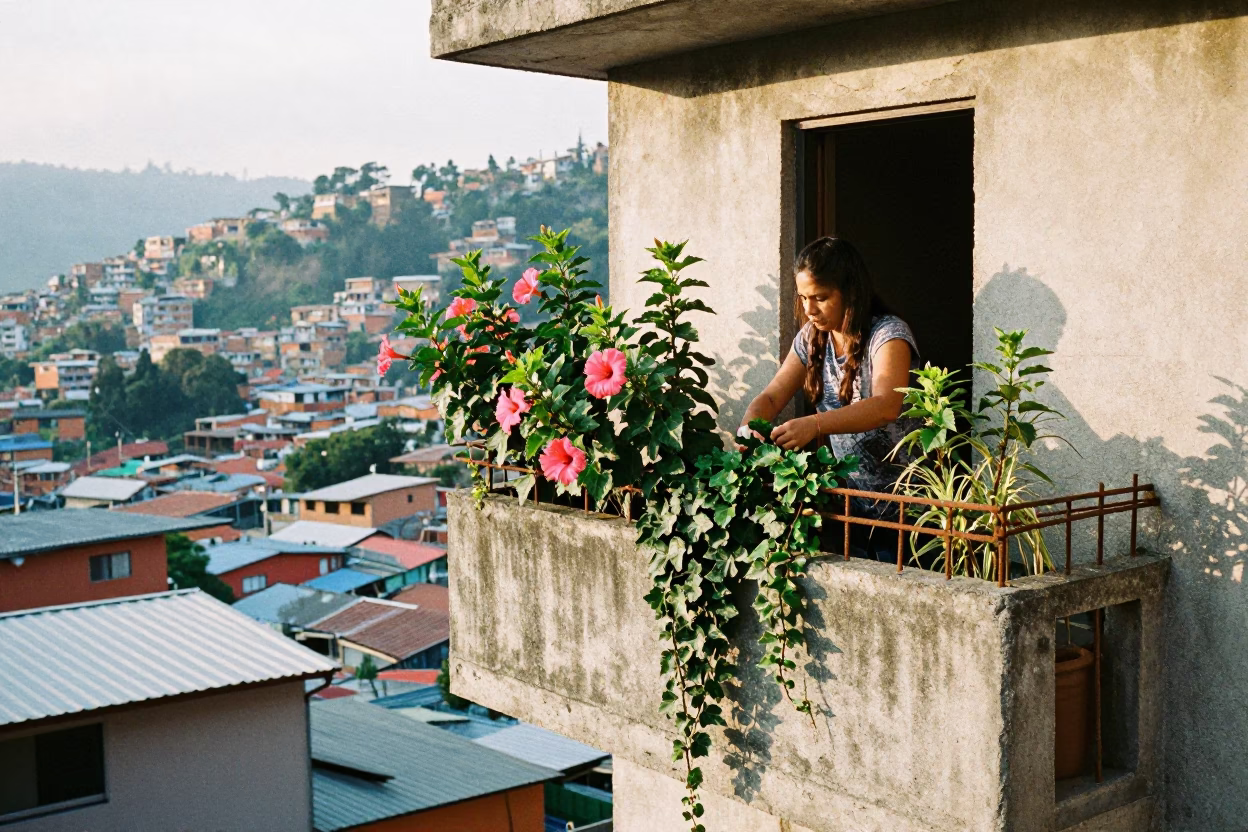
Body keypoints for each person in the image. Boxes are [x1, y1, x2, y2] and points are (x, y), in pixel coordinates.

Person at [739, 236, 919, 561]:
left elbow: (886, 405)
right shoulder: (812, 337)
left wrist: (815, 425)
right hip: (852, 511)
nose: (809, 310)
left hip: (910, 515)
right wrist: (750, 427)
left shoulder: (888, 335)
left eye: (820, 297)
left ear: (850, 292)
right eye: (804, 298)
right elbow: (770, 397)